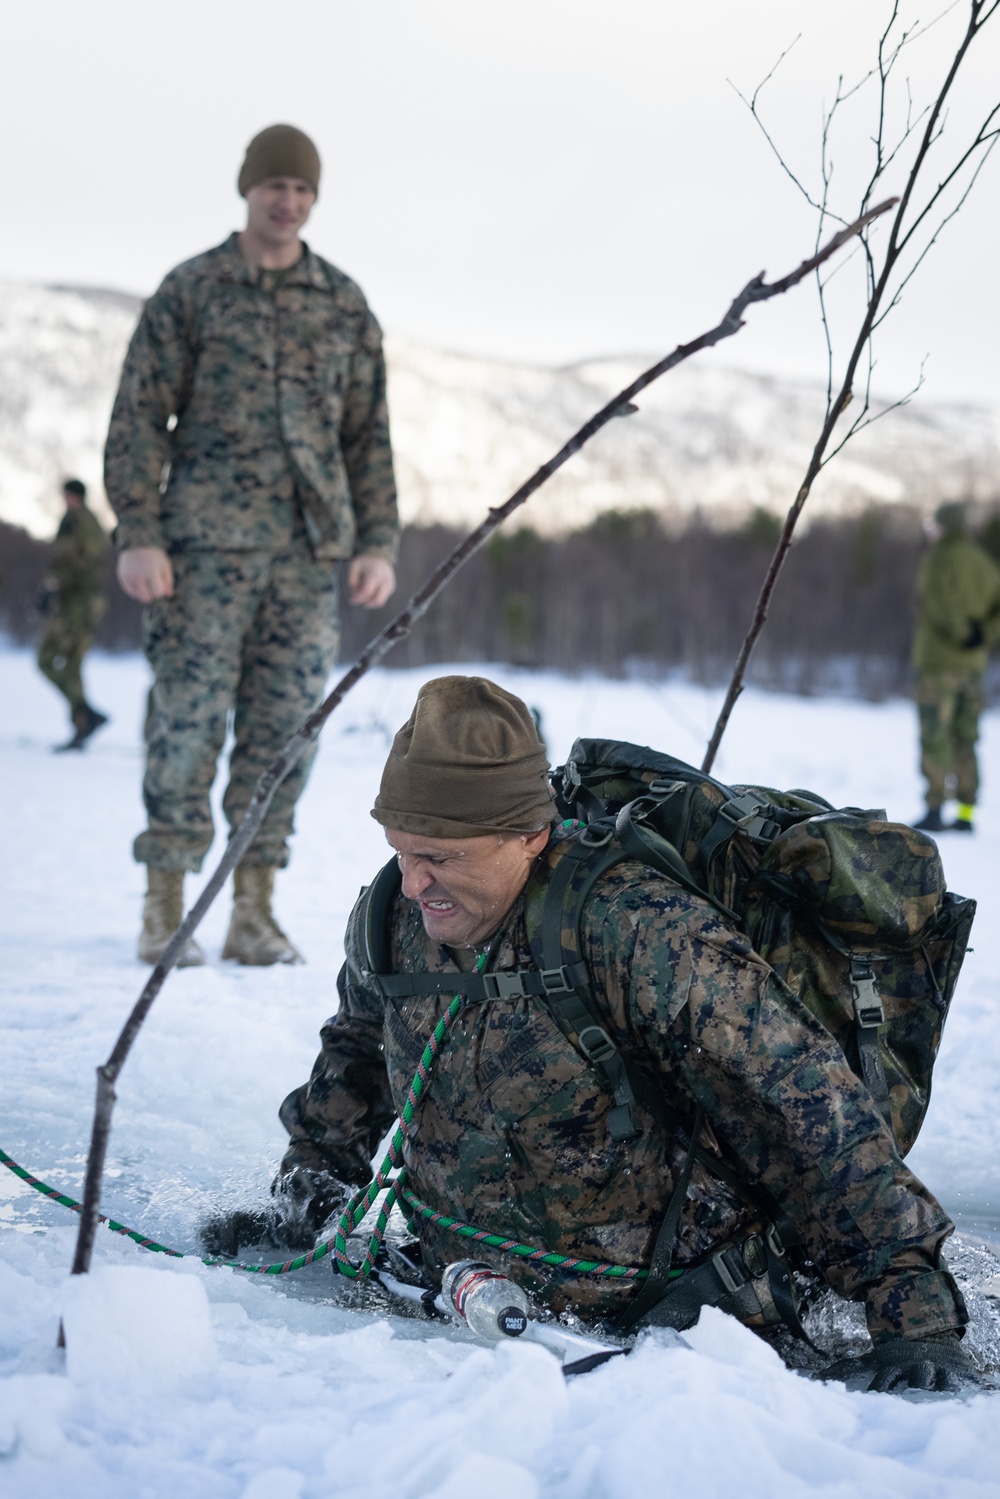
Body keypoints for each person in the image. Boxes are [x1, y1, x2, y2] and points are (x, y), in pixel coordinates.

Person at [204, 675, 977, 1393]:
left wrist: (916, 1314)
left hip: (677, 1342)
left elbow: (806, 1107)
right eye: (401, 852)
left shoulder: (636, 928)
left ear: (528, 835)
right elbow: (353, 1053)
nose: (413, 883)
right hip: (471, 1309)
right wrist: (308, 1181)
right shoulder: (391, 915)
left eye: (440, 856)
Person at [105, 124, 399, 969]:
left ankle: (253, 911)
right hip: (199, 555)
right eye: (276, 185)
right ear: (249, 188)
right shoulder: (192, 291)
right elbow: (138, 420)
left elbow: (367, 435)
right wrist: (138, 532)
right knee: (186, 725)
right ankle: (166, 904)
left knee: (285, 735)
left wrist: (375, 540)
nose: (289, 201)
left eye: (303, 190)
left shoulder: (341, 303)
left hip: (305, 562)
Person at [912, 501, 1000, 834]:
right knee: (966, 737)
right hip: (973, 667)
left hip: (938, 665)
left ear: (944, 527)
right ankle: (966, 812)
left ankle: (935, 808)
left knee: (935, 734)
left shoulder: (937, 560)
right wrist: (984, 635)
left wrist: (962, 634)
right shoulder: (985, 563)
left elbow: (935, 602)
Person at [37, 478, 110, 752]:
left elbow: (77, 558)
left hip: (78, 603)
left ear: (71, 495)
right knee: (71, 665)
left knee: (46, 659)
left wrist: (54, 582)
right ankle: (83, 724)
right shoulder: (86, 521)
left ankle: (85, 714)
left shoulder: (78, 521)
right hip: (82, 602)